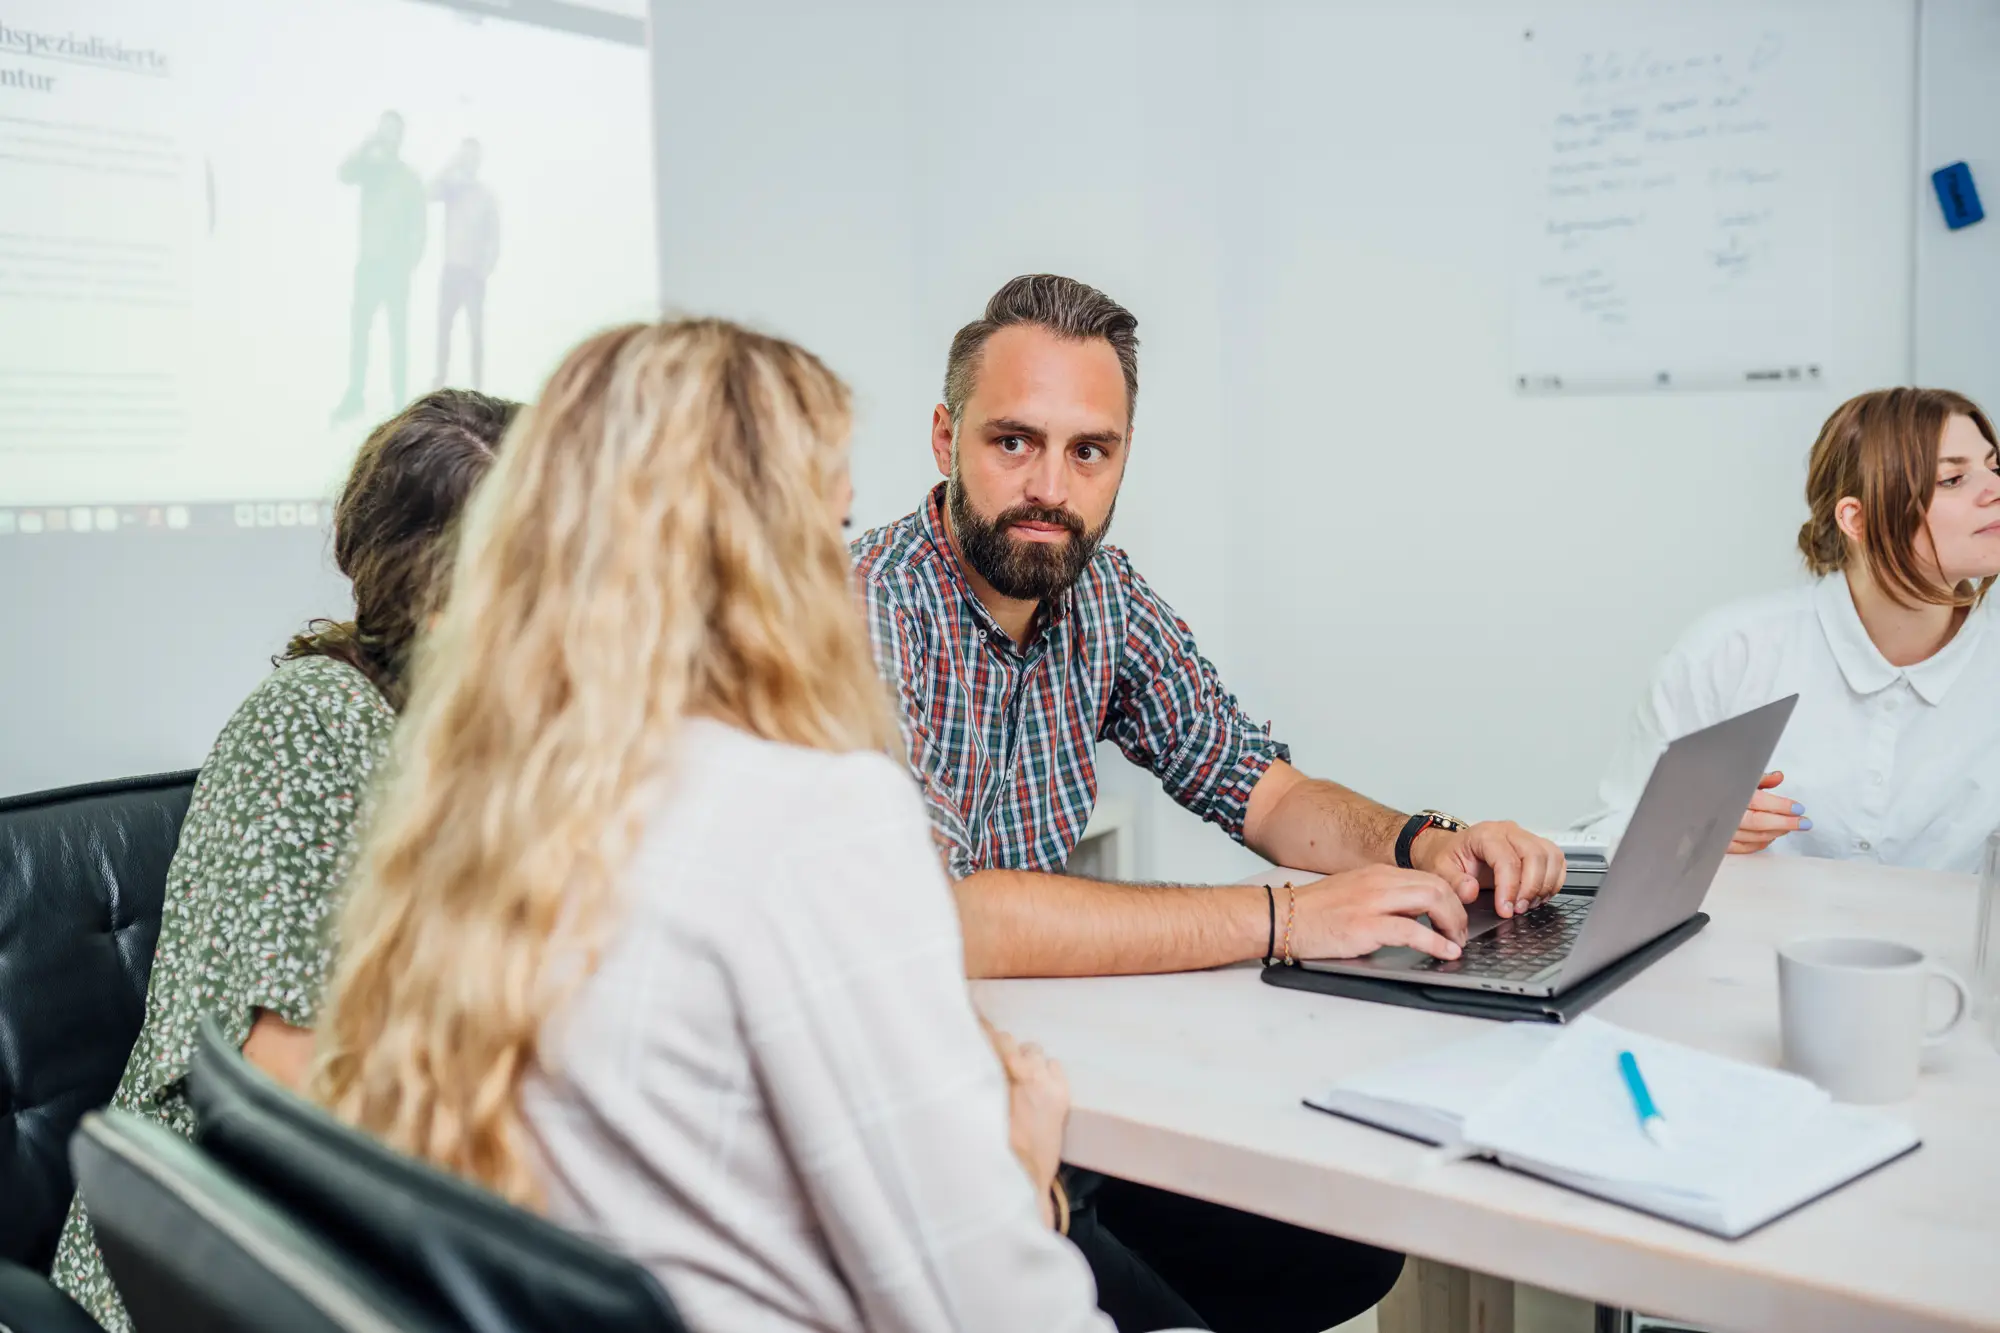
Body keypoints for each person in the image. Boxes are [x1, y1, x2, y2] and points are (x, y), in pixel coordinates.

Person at [313, 319, 1133, 1333]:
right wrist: (1025, 1171)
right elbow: (1000, 1316)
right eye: (829, 536)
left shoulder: (486, 800)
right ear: (767, 562)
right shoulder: (811, 816)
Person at [849, 273, 1567, 1331]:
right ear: (943, 436)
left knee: (1345, 1250)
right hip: (923, 1127)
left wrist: (1424, 841)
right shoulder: (863, 612)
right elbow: (950, 917)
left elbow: (1257, 784)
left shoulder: (1101, 592)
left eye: (1088, 451)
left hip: (1063, 1088)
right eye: (1013, 442)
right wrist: (1282, 918)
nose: (1049, 485)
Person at [48, 389, 518, 1332]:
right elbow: (282, 1083)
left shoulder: (476, 745)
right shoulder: (312, 724)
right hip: (214, 1260)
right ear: (439, 593)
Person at [1574, 387, 2000, 874]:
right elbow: (1606, 834)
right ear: (1856, 519)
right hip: (1744, 948)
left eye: (1994, 466)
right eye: (1953, 478)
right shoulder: (1729, 653)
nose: (1993, 488)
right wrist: (1690, 831)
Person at [333, 110, 429, 424]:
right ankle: (355, 395)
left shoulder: (409, 178)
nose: (388, 136)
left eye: (393, 131)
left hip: (396, 269)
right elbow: (344, 173)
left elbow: (420, 225)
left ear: (401, 137)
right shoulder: (370, 170)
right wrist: (367, 144)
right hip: (368, 265)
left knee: (397, 335)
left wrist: (409, 262)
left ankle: (401, 402)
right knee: (360, 331)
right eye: (383, 130)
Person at [430, 137, 501, 390]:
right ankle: (439, 379)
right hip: (451, 269)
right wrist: (451, 164)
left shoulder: (486, 196)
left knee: (475, 332)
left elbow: (494, 238)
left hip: (473, 274)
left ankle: (478, 384)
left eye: (473, 156)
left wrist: (484, 269)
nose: (469, 161)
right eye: (465, 156)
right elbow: (430, 192)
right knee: (443, 327)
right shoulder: (452, 189)